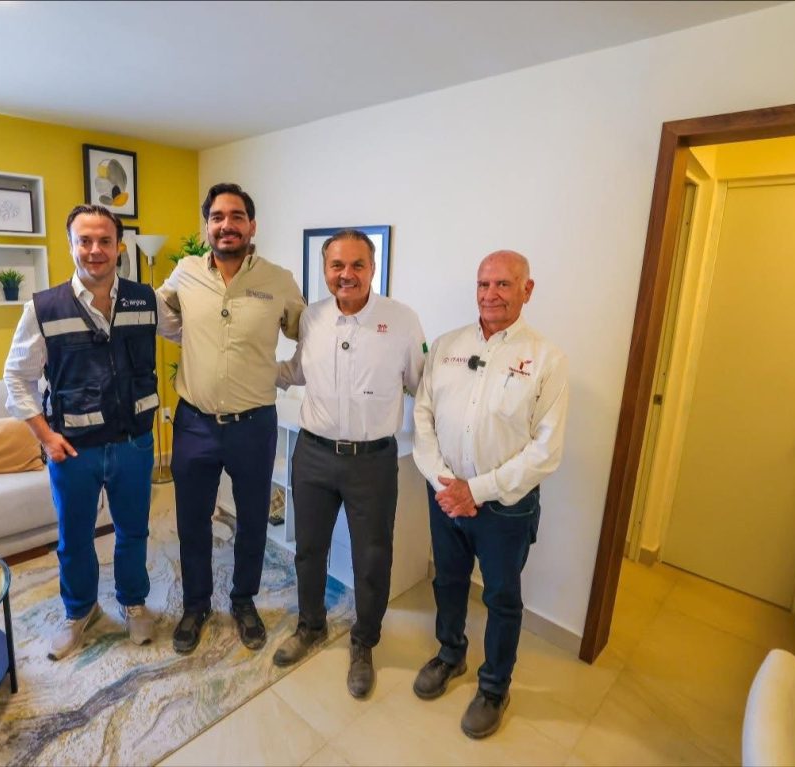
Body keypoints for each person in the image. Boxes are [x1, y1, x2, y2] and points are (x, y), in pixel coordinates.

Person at [411, 250, 568, 739]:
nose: (491, 295)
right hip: (445, 496)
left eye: (503, 284)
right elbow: (423, 416)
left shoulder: (546, 359)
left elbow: (545, 450)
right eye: (484, 284)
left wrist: (475, 491)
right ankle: (450, 654)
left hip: (505, 508)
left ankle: (495, 687)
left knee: (501, 597)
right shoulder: (447, 346)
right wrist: (445, 482)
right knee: (448, 581)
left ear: (527, 289)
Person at [272, 229, 426, 698]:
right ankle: (311, 624)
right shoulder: (312, 318)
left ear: (372, 268)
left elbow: (421, 383)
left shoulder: (401, 321)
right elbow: (297, 370)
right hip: (314, 454)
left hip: (372, 463)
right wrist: (248, 370)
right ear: (325, 270)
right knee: (309, 548)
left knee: (372, 558)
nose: (346, 274)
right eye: (337, 265)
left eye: (357, 265)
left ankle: (364, 643)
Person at [4, 203, 158, 661]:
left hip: (133, 443)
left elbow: (191, 333)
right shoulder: (43, 307)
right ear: (71, 245)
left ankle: (133, 602)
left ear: (119, 247)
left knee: (133, 531)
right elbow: (16, 378)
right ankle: (79, 610)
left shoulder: (145, 299)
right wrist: (44, 436)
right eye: (84, 241)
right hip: (72, 449)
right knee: (74, 539)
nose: (95, 250)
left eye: (104, 241)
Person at [157, 182, 305, 655]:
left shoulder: (278, 280)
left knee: (254, 519)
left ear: (251, 225)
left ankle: (243, 600)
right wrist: (188, 339)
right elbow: (158, 312)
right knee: (192, 520)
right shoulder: (185, 273)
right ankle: (195, 605)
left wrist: (283, 374)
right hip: (194, 423)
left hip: (254, 425)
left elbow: (311, 333)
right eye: (217, 217)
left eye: (236, 216)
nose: (227, 225)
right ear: (207, 226)